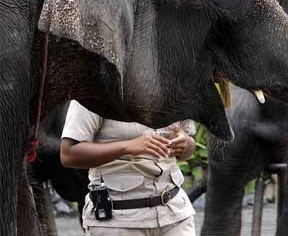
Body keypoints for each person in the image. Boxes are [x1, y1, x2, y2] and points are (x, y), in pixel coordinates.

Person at [60, 100, 197, 236]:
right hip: (118, 221)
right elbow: (68, 154)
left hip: (175, 215)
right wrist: (127, 147)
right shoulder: (93, 88)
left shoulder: (176, 86)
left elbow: (189, 145)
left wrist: (185, 144)